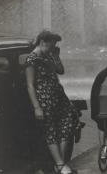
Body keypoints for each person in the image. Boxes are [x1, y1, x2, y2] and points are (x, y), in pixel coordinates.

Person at [25, 30, 80, 174]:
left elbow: (60, 71)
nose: (53, 48)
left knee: (68, 123)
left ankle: (60, 163)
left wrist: (56, 55)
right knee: (51, 130)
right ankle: (60, 164)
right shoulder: (32, 59)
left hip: (59, 97)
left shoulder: (49, 56)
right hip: (45, 99)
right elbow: (30, 85)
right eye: (51, 45)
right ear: (43, 42)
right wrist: (37, 107)